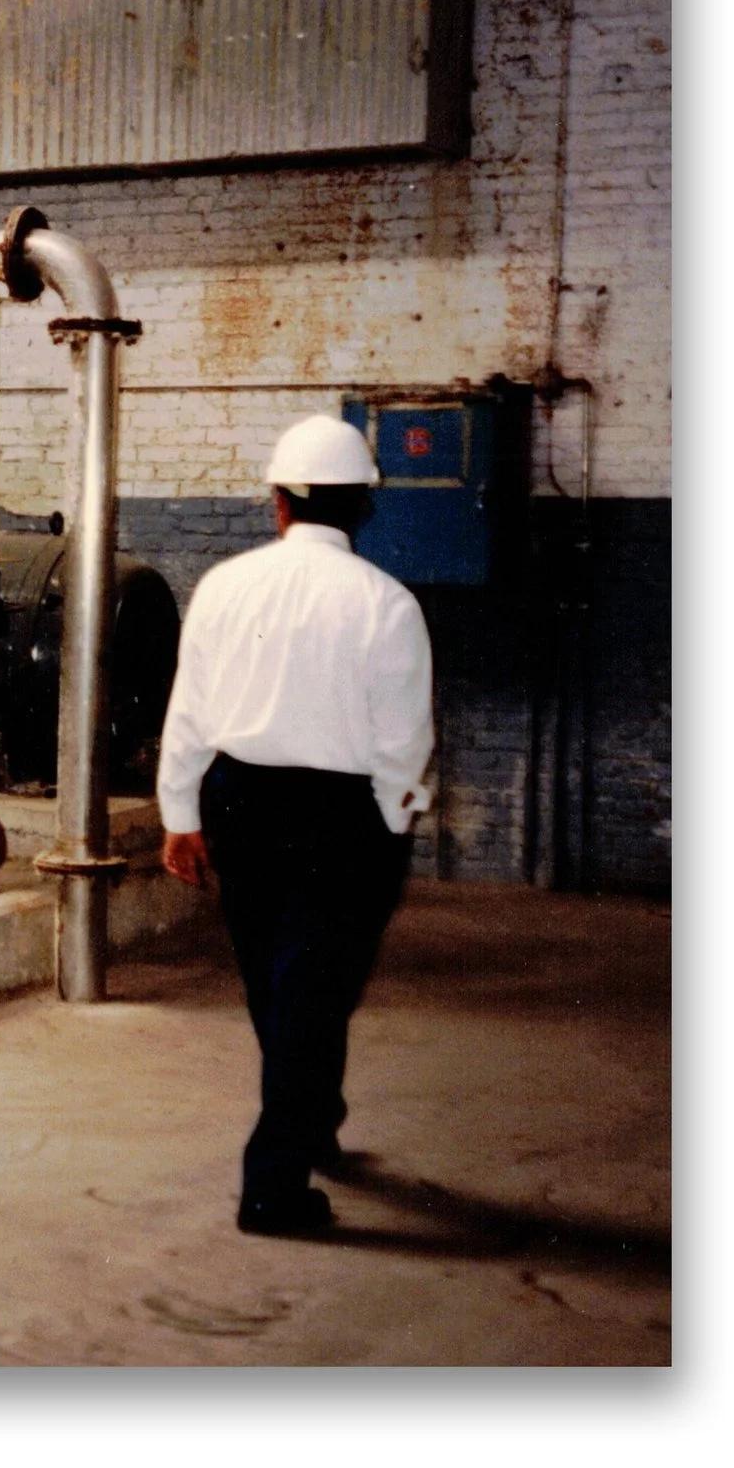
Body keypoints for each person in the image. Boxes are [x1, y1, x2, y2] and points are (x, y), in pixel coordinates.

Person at [156, 415, 435, 1237]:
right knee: (314, 990)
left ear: (278, 503)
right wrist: (391, 827)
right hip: (341, 818)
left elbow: (190, 713)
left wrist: (181, 815)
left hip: (240, 802)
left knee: (279, 986)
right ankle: (273, 1189)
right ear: (363, 509)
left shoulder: (222, 586)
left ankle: (312, 1119)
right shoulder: (388, 604)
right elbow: (404, 740)